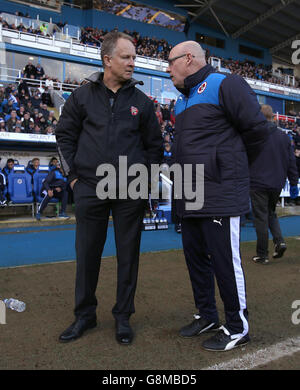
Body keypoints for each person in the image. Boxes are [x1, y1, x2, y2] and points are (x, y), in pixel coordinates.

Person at [55, 31, 163, 345]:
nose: (133, 63)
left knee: (128, 256)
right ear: (108, 60)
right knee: (87, 255)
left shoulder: (142, 103)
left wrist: (144, 184)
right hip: (89, 187)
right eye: (126, 57)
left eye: (134, 57)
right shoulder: (82, 96)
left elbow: (155, 148)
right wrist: (74, 178)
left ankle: (123, 317)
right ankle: (84, 316)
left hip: (130, 192)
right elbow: (64, 137)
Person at [167, 41, 271, 352]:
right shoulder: (180, 102)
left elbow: (257, 132)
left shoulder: (227, 84)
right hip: (190, 194)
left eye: (170, 62)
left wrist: (226, 167)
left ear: (188, 59)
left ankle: (238, 327)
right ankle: (208, 315)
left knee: (225, 261)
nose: (167, 69)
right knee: (195, 259)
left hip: (220, 192)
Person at [250, 105, 299, 264]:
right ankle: (280, 242)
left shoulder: (254, 135)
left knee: (261, 218)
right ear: (273, 118)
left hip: (258, 182)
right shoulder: (284, 137)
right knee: (270, 213)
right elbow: (291, 161)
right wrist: (293, 183)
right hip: (277, 183)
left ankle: (262, 254)